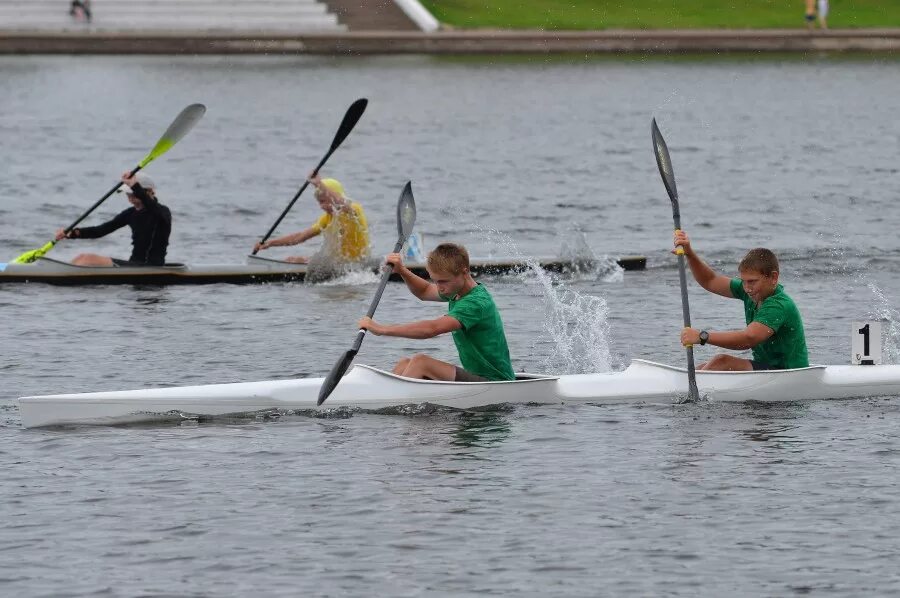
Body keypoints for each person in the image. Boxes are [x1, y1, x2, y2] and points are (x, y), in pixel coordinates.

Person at [358, 243, 515, 382]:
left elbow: (431, 329)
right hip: (475, 377)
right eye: (435, 280)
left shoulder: (475, 303)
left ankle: (388, 401)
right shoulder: (456, 291)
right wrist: (402, 271)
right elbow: (425, 291)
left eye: (443, 281)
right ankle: (382, 397)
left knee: (421, 362)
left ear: (464, 272)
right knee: (404, 363)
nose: (439, 287)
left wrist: (382, 329)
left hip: (495, 381)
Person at [674, 230, 809, 371]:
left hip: (789, 373)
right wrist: (689, 254)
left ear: (773, 278)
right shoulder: (750, 291)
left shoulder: (778, 305)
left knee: (722, 362)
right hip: (769, 370)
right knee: (704, 367)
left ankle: (687, 390)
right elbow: (710, 280)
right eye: (743, 281)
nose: (747, 288)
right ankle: (683, 388)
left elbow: (748, 339)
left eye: (752, 281)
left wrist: (702, 336)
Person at [55, 172, 172, 267]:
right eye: (128, 194)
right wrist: (73, 233)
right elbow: (100, 230)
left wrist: (135, 186)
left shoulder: (162, 212)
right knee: (80, 258)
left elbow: (151, 206)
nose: (130, 197)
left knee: (88, 259)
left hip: (151, 267)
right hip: (134, 265)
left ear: (150, 192)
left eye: (133, 193)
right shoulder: (130, 214)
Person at [253, 175, 369, 265]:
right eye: (319, 202)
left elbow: (339, 201)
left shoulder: (353, 210)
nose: (321, 206)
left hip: (357, 265)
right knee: (292, 260)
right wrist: (270, 243)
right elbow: (300, 237)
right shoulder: (326, 219)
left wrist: (319, 183)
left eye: (324, 201)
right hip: (337, 263)